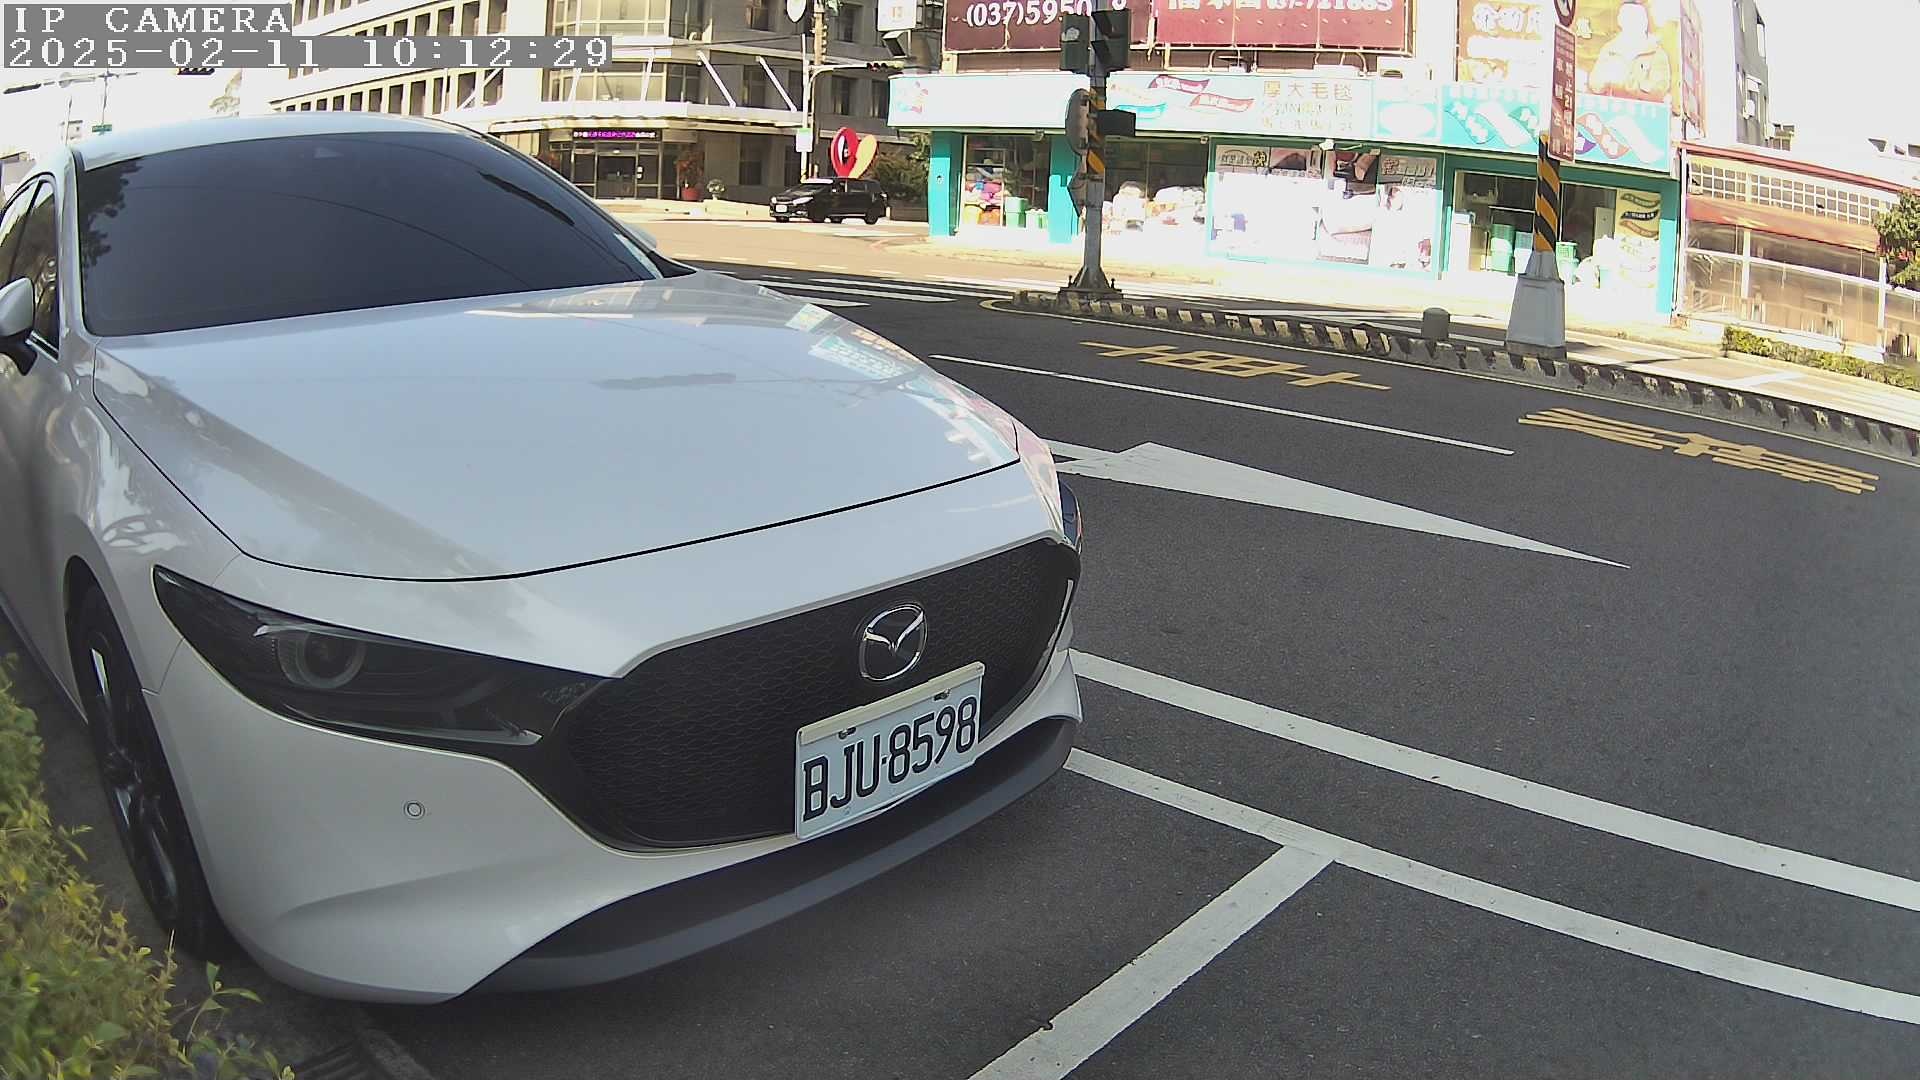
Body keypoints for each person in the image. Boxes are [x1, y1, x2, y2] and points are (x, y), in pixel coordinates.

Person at [1587, 0, 1673, 104]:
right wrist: (1603, 82)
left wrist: (1626, 83)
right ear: (1621, 22)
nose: (1632, 24)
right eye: (1628, 19)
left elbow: (1659, 90)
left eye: (1637, 19)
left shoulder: (1656, 53)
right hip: (1611, 109)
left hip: (1642, 111)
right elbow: (1594, 84)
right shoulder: (1609, 50)